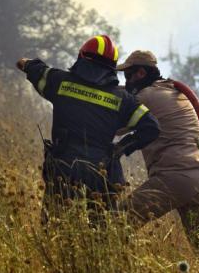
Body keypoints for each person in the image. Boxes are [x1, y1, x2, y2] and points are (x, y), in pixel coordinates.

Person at [16, 35, 159, 219]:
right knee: (97, 236)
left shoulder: (59, 81)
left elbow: (29, 66)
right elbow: (151, 127)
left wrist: (25, 63)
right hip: (101, 175)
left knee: (54, 229)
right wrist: (121, 148)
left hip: (63, 172)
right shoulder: (123, 100)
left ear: (81, 57)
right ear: (112, 68)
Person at [116, 50, 199, 247]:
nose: (127, 81)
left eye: (128, 75)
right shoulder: (171, 92)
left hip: (174, 178)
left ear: (141, 74)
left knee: (116, 223)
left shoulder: (146, 96)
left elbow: (116, 127)